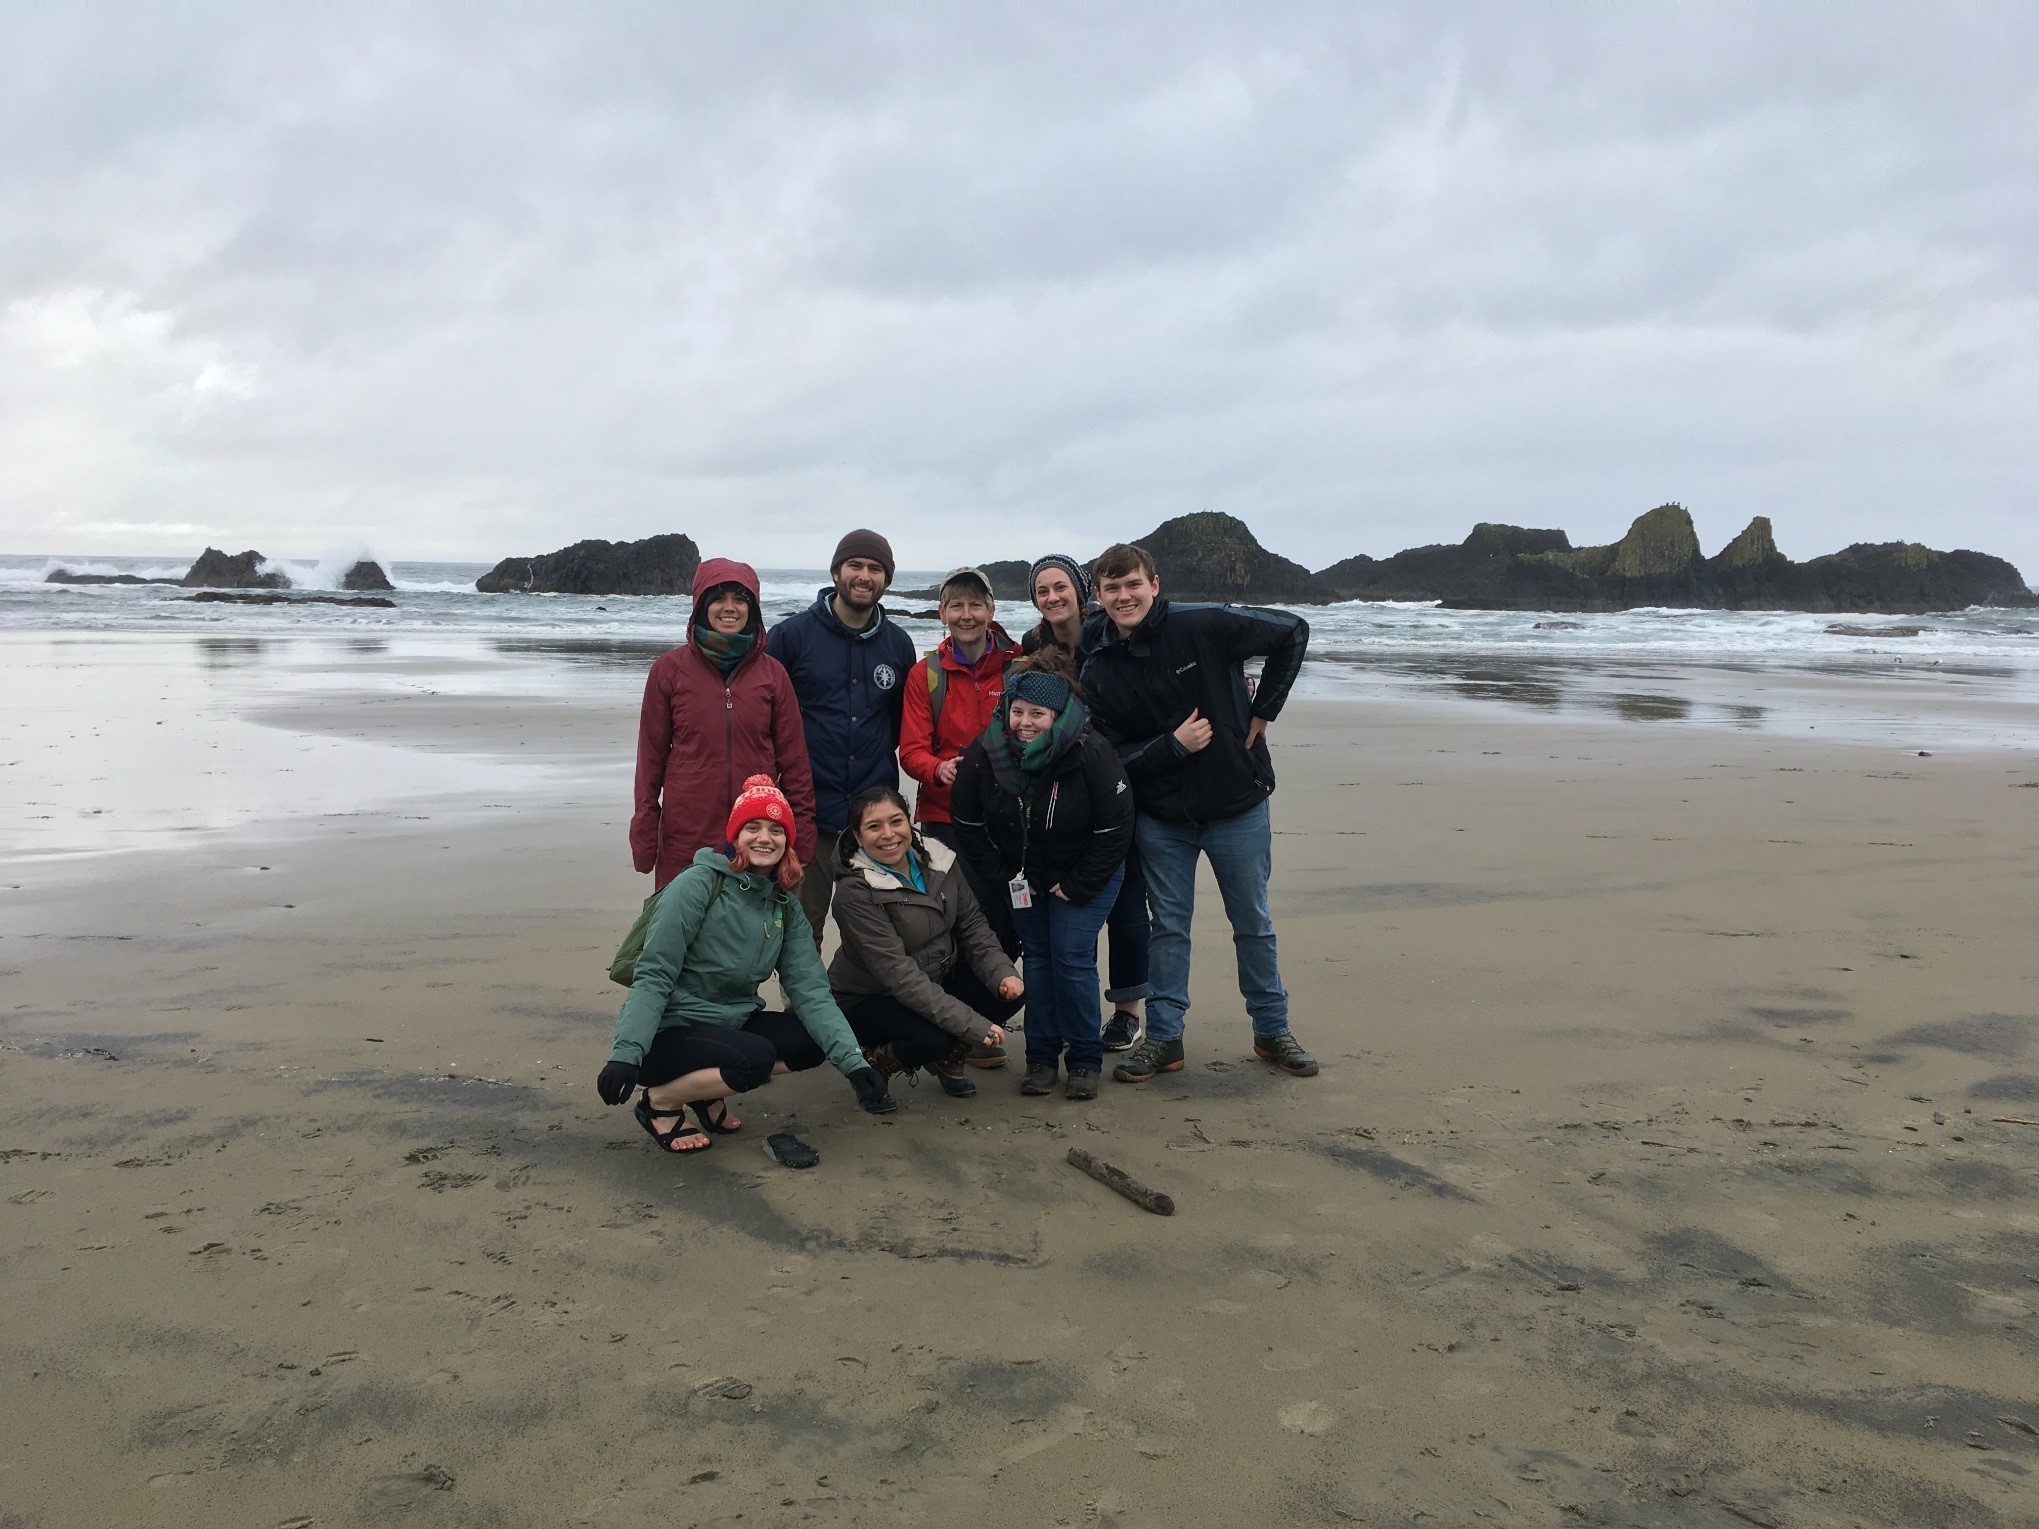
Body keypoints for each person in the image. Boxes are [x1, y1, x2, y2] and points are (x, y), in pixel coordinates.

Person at [1077, 542, 1316, 1084]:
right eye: (1112, 588)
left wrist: (1264, 709)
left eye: (1133, 584)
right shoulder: (1098, 664)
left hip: (1235, 803)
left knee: (1253, 922)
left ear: (1154, 584)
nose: (1124, 596)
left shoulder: (1203, 625)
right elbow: (1112, 760)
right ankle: (1164, 1038)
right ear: (1098, 596)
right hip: (1162, 816)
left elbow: (1292, 631)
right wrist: (1174, 746)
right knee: (1169, 929)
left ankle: (1272, 1030)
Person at [596, 776, 896, 1154]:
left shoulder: (785, 909)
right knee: (753, 1060)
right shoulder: (698, 884)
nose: (764, 838)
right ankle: (660, 1102)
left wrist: (854, 1064)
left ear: (787, 840)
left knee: (811, 1043)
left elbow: (812, 993)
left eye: (776, 829)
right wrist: (626, 1055)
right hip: (669, 1031)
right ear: (735, 836)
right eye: (752, 827)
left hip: (730, 1023)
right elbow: (654, 974)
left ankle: (705, 1093)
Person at [951, 650, 1133, 1100]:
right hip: (1024, 877)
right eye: (1017, 711)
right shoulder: (987, 750)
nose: (1025, 722)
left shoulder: (1090, 750)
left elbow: (1116, 827)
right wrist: (1004, 874)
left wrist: (1075, 884)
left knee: (1070, 956)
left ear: (1059, 714)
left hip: (1087, 871)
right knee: (1037, 957)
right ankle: (1041, 1058)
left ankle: (1085, 1060)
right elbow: (966, 820)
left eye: (1038, 713)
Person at [1021, 553, 1152, 1054]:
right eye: (1041, 591)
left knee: (1124, 898)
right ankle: (1063, 1014)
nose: (1052, 598)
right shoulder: (1035, 644)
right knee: (1068, 912)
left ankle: (1126, 1010)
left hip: (1123, 769)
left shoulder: (1111, 631)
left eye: (1060, 587)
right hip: (1062, 783)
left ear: (1081, 590)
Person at [766, 530, 918, 947]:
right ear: (836, 571)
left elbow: (902, 725)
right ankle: (802, 1013)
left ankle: (861, 1009)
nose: (864, 576)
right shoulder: (791, 637)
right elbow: (764, 718)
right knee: (801, 927)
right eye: (855, 565)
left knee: (877, 932)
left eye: (875, 568)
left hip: (873, 819)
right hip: (808, 810)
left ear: (886, 580)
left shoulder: (900, 645)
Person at [828, 786, 1025, 1100]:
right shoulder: (855, 892)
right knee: (935, 1037)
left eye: (896, 821)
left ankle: (947, 1061)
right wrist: (971, 1026)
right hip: (867, 997)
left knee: (1007, 993)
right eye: (874, 826)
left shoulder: (940, 861)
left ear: (910, 822)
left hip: (932, 977)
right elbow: (899, 976)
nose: (888, 834)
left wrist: (1002, 972)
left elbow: (972, 926)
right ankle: (875, 1064)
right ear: (857, 835)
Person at [632, 559, 815, 889]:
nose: (729, 608)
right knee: (682, 929)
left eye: (741, 599)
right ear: (701, 605)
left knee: (748, 933)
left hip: (756, 832)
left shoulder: (773, 675)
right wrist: (645, 826)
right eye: (718, 598)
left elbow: (795, 763)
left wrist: (801, 833)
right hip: (686, 831)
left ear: (753, 608)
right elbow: (650, 759)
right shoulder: (668, 671)